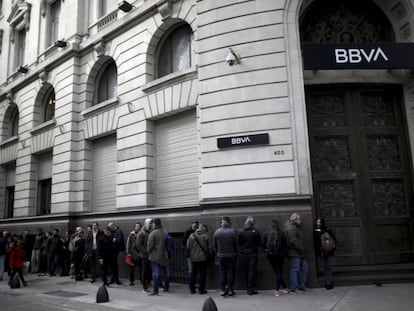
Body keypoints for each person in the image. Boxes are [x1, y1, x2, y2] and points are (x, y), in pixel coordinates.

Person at [263, 220, 289, 296]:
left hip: (270, 256)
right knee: (279, 272)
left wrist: (266, 250)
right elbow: (285, 245)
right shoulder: (281, 233)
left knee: (277, 272)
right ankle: (280, 289)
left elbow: (263, 244)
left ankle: (282, 288)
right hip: (280, 255)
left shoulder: (266, 233)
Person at [213, 216, 237, 297]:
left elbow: (214, 245)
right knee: (230, 272)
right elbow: (236, 245)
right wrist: (234, 252)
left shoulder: (217, 232)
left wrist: (218, 252)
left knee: (222, 272)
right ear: (229, 223)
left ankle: (223, 290)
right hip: (231, 255)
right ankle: (230, 290)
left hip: (221, 255)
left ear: (222, 223)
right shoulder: (233, 232)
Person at [284, 213, 308, 294]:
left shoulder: (295, 227)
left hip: (299, 252)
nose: (300, 221)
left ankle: (301, 286)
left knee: (304, 268)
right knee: (295, 270)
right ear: (295, 220)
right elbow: (293, 241)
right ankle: (294, 288)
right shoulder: (290, 228)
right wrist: (301, 249)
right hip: (294, 253)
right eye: (299, 219)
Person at [238, 216, 261, 295]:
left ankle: (247, 287)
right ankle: (250, 289)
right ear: (252, 222)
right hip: (253, 253)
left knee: (246, 270)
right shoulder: (255, 231)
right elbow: (259, 242)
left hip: (244, 253)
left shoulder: (241, 231)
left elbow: (239, 242)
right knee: (251, 271)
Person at [147, 218, 170, 296]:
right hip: (165, 256)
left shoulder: (153, 233)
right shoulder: (165, 232)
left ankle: (155, 291)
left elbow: (149, 246)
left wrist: (148, 253)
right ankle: (166, 288)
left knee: (155, 273)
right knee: (166, 273)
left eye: (152, 223)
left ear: (154, 224)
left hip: (155, 256)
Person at [187, 223, 211, 294]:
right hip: (203, 258)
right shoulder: (206, 236)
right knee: (202, 274)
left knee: (193, 274)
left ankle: (192, 289)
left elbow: (188, 247)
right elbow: (209, 247)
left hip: (193, 258)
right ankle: (201, 289)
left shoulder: (191, 236)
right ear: (204, 229)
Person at [313, 217, 336, 290]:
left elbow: (334, 240)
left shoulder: (328, 230)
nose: (318, 223)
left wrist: (331, 248)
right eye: (317, 222)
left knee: (329, 267)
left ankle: (329, 282)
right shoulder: (314, 231)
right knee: (325, 267)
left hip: (329, 251)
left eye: (320, 222)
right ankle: (327, 281)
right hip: (321, 252)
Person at [136, 218, 153, 292]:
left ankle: (148, 282)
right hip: (144, 255)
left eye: (151, 223)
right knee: (144, 270)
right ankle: (144, 285)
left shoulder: (150, 232)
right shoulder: (141, 233)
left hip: (150, 254)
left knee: (149, 270)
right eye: (150, 223)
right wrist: (145, 252)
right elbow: (138, 244)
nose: (151, 225)